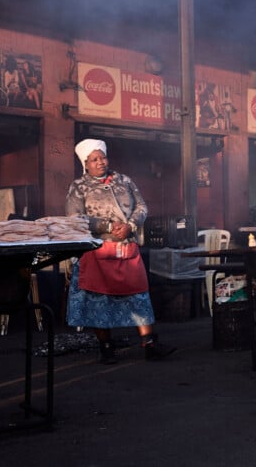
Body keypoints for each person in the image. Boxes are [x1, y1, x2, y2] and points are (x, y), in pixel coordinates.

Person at [65, 139, 176, 363]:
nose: (100, 162)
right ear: (85, 164)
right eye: (94, 159)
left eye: (102, 157)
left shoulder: (124, 181)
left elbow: (142, 206)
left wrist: (130, 226)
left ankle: (150, 345)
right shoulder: (79, 187)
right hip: (97, 250)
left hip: (127, 247)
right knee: (99, 300)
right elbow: (74, 217)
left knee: (139, 296)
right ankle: (106, 349)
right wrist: (106, 227)